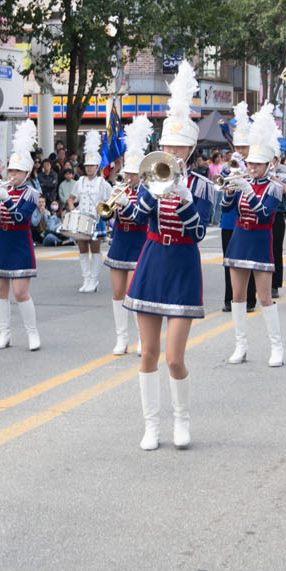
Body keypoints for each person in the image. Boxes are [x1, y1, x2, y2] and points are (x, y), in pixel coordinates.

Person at [121, 65, 213, 450]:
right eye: (168, 147)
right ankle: (151, 426)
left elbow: (199, 233)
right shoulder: (151, 179)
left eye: (179, 148)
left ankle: (181, 420)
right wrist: (150, 193)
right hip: (153, 261)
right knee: (148, 353)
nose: (172, 154)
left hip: (183, 266)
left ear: (190, 149)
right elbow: (134, 219)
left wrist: (186, 201)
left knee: (174, 358)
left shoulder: (202, 186)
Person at [223, 105, 286, 367]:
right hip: (239, 239)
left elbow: (263, 214)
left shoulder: (274, 188)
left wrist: (248, 191)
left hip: (261, 241)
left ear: (268, 165)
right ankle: (241, 345)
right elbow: (226, 209)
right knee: (237, 296)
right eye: (250, 163)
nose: (252, 168)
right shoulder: (243, 180)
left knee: (264, 297)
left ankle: (276, 347)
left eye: (257, 164)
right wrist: (230, 191)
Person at [0, 120, 43, 350]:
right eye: (10, 170)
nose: (12, 174)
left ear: (26, 173)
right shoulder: (2, 189)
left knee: (20, 292)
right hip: (2, 241)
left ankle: (32, 333)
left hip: (20, 242)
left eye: (17, 171)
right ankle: (4, 334)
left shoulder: (31, 193)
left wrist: (7, 199)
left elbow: (20, 217)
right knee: (0, 290)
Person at [103, 114, 152, 356]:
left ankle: (142, 338)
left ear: (141, 174)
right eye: (127, 173)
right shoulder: (120, 188)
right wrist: (112, 203)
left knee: (135, 292)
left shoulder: (146, 190)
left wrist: (126, 203)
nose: (128, 177)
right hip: (120, 241)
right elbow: (107, 217)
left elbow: (140, 217)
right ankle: (121, 338)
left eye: (133, 174)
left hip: (139, 242)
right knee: (117, 293)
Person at [220, 103, 255, 314]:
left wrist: (246, 172)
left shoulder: (257, 166)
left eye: (244, 147)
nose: (240, 151)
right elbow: (221, 187)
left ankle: (249, 298)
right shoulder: (229, 166)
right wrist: (230, 171)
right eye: (238, 147)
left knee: (248, 261)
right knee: (229, 261)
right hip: (229, 220)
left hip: (249, 219)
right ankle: (229, 299)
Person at [69, 130, 113, 293]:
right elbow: (71, 198)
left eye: (92, 166)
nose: (89, 168)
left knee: (95, 250)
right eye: (87, 166)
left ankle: (94, 280)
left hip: (96, 220)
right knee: (82, 250)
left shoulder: (103, 183)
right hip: (81, 219)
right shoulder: (79, 181)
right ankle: (86, 279)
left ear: (97, 166)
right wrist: (73, 210)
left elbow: (110, 202)